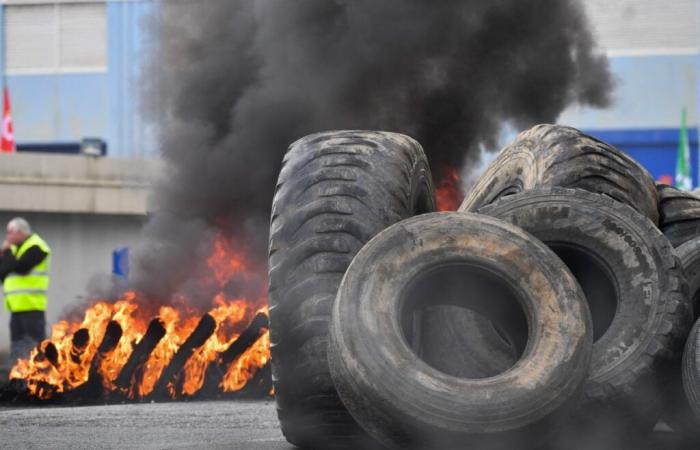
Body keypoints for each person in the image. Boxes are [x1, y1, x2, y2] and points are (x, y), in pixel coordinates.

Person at [0, 217, 51, 361]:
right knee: (17, 347)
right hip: (15, 308)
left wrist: (8, 254)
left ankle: (42, 378)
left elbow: (21, 267)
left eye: (10, 232)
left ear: (21, 232)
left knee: (35, 347)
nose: (7, 236)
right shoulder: (14, 249)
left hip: (32, 307)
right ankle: (17, 378)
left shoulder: (37, 246)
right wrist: (8, 256)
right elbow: (2, 271)